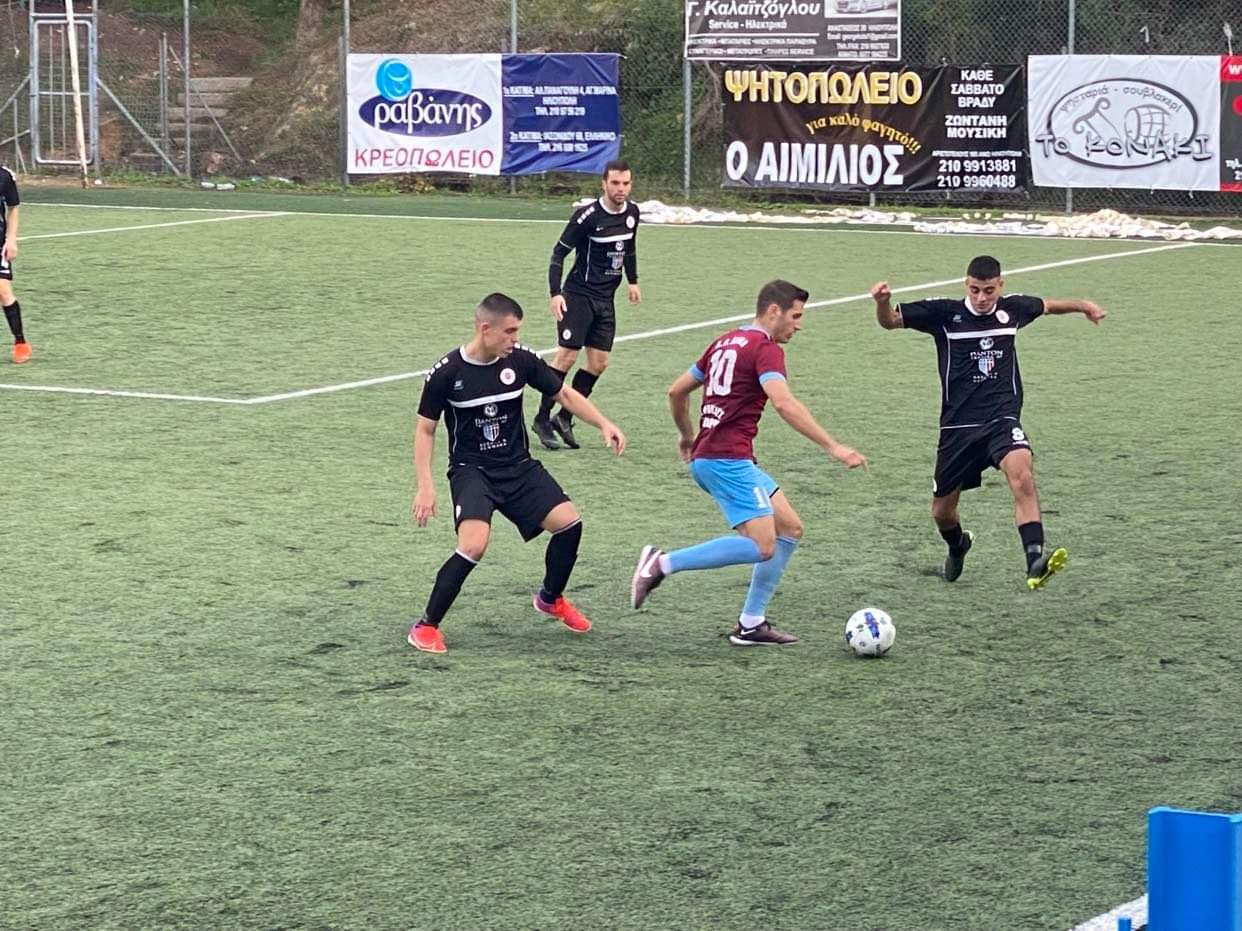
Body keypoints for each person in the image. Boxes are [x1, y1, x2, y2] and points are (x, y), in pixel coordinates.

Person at [630, 279, 867, 645]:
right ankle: (661, 563)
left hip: (714, 456)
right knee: (763, 546)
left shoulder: (724, 342)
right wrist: (833, 447)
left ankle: (751, 623)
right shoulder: (765, 348)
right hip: (727, 461)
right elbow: (783, 403)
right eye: (795, 316)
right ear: (774, 311)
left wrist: (687, 435)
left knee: (789, 529)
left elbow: (676, 391)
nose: (799, 325)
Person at [869, 255, 1106, 589]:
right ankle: (958, 545)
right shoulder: (943, 314)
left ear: (1000, 286)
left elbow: (1049, 305)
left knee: (1022, 474)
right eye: (975, 290)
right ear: (966, 285)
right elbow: (890, 321)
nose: (982, 298)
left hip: (1001, 419)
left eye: (989, 290)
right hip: (957, 427)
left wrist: (1083, 306)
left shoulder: (1014, 309)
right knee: (942, 513)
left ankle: (1034, 560)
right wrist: (882, 302)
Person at [408, 292, 627, 654]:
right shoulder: (446, 373)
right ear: (485, 329)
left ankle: (550, 598)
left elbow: (564, 395)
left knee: (569, 524)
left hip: (518, 467)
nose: (515, 338)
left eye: (517, 331)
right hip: (472, 471)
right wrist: (425, 487)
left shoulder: (521, 360)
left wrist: (603, 423)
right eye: (509, 331)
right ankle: (426, 626)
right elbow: (425, 429)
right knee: (473, 545)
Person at [533, 159, 641, 451]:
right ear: (604, 184)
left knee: (599, 363)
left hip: (606, 300)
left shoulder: (632, 213)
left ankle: (564, 417)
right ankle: (541, 418)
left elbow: (629, 249)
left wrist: (633, 281)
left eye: (626, 183)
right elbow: (558, 254)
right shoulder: (587, 217)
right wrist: (555, 293)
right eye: (615, 183)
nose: (620, 189)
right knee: (566, 357)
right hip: (578, 295)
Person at [1, 166, 30, 364]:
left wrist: (11, 239)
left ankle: (20, 342)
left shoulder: (4, 176)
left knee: (3, 290)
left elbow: (13, 207)